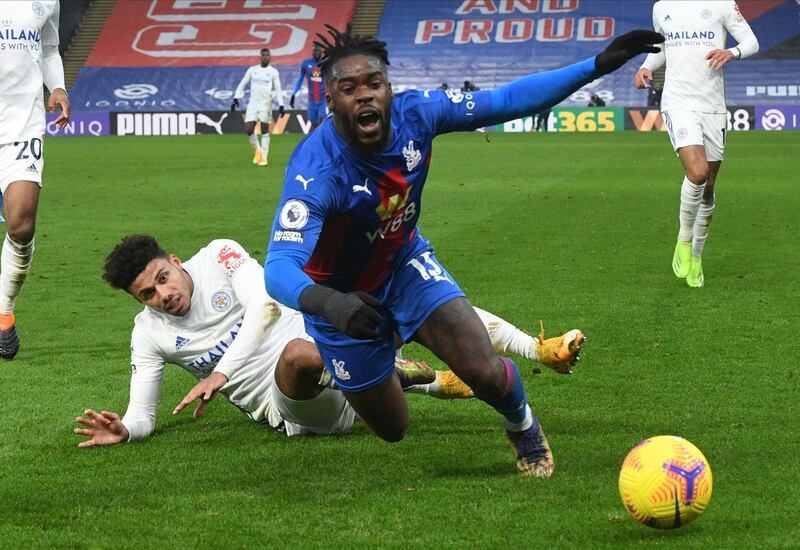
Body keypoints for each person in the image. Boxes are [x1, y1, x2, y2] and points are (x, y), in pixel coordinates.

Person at [264, 26, 660, 476]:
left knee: (484, 371)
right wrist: (332, 303)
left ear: (389, 88)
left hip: (404, 266)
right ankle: (390, 370)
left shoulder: (419, 114)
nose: (365, 96)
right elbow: (279, 268)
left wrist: (595, 67)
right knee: (394, 427)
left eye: (374, 83)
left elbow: (507, 100)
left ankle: (523, 428)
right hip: (343, 304)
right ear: (330, 100)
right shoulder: (315, 169)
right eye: (348, 88)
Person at [73, 235, 579, 447]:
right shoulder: (149, 336)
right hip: (294, 407)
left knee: (400, 296)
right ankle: (401, 375)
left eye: (162, 278)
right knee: (299, 356)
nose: (163, 295)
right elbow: (142, 415)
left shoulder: (220, 257)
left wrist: (221, 372)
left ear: (176, 262)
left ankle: (537, 350)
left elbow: (267, 303)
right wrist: (127, 430)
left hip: (330, 342)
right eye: (147, 294)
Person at [634, 1, 758, 288]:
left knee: (709, 187)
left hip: (713, 106)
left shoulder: (722, 4)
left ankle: (698, 256)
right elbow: (662, 47)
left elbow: (751, 41)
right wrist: (644, 66)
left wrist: (732, 52)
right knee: (698, 172)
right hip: (678, 102)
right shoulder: (662, 7)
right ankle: (684, 239)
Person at [0, 0, 70, 359]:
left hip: (22, 125)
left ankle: (4, 310)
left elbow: (49, 49)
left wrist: (58, 87)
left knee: (21, 224)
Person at [231, 48, 285, 166]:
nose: (265, 57)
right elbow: (242, 83)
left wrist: (281, 104)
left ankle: (264, 158)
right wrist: (236, 98)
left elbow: (278, 88)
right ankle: (258, 151)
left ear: (270, 57)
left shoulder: (273, 72)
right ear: (260, 57)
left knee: (265, 130)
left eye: (267, 55)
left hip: (266, 103)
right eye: (263, 55)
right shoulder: (252, 70)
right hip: (253, 103)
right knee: (249, 129)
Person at [289, 44, 327, 132]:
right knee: (313, 124)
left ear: (322, 52)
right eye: (315, 50)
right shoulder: (306, 63)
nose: (317, 52)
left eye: (319, 50)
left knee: (322, 120)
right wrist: (293, 94)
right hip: (312, 100)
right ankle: (314, 143)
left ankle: (323, 142)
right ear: (312, 51)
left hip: (323, 99)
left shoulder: (326, 63)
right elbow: (300, 79)